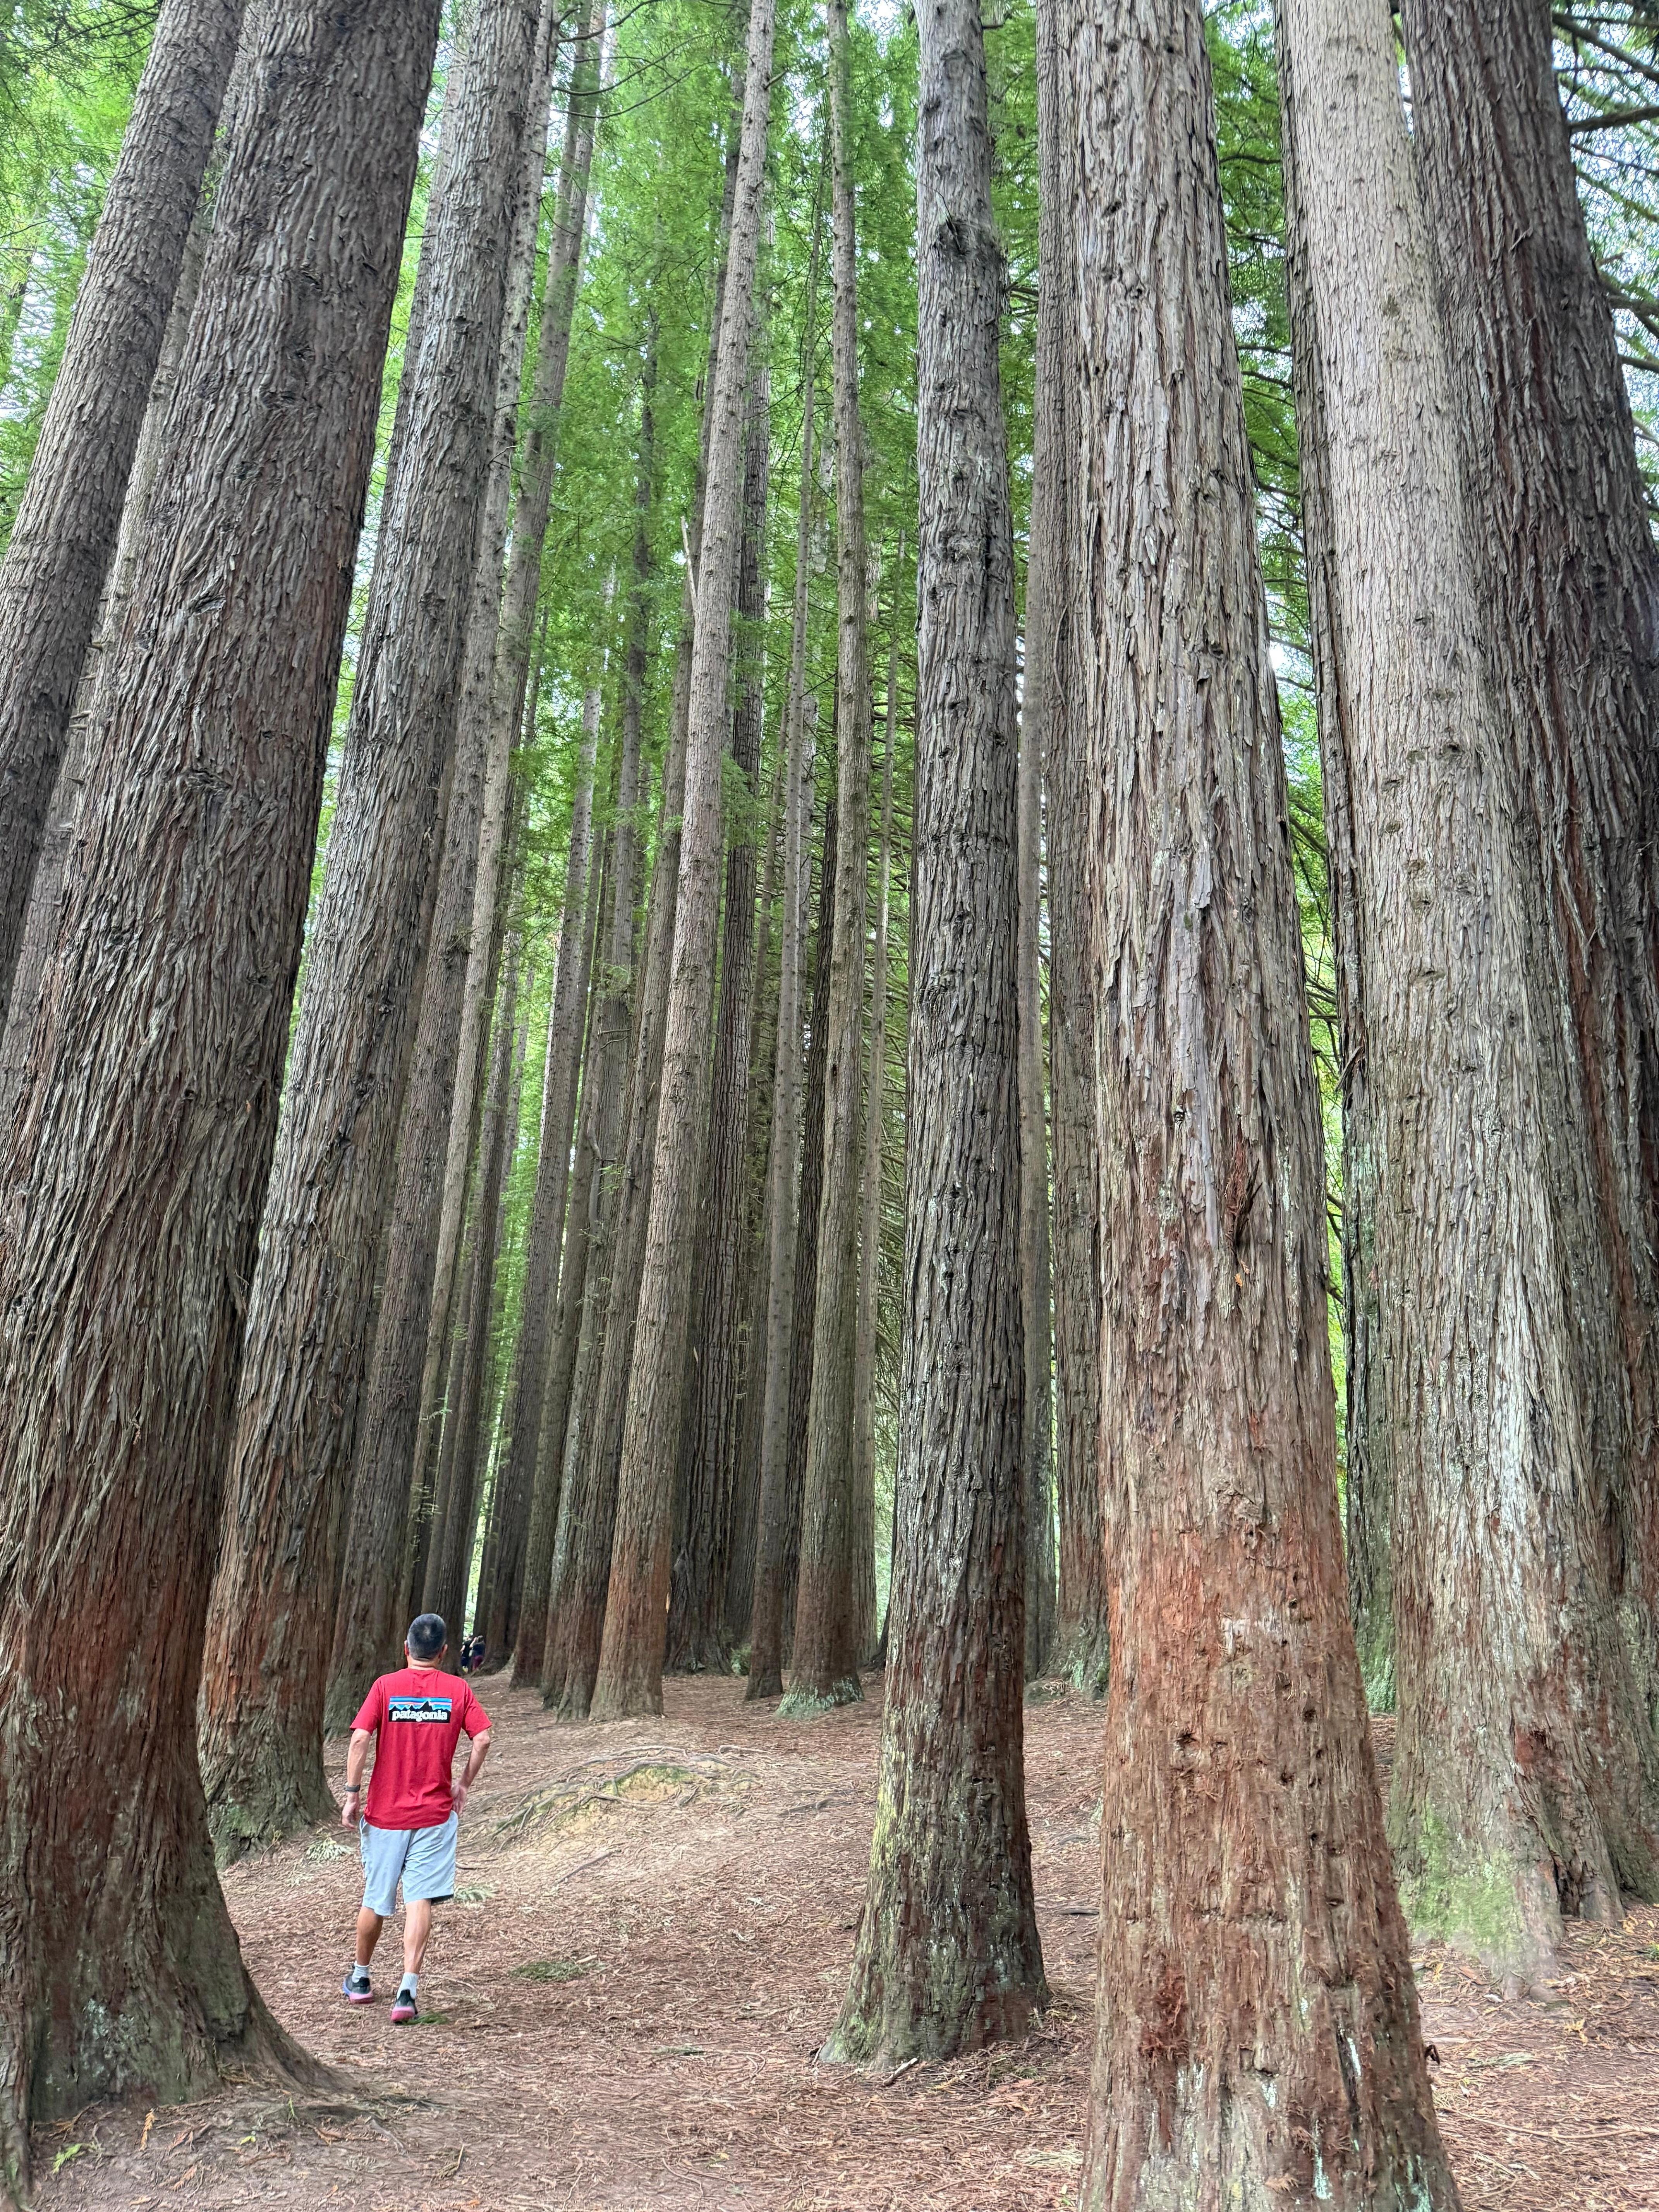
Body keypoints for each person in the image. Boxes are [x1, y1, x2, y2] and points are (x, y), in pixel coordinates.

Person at [339, 1611, 491, 2024]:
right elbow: (482, 1738)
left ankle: (361, 1979)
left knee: (376, 1897)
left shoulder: (386, 1687)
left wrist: (352, 1795)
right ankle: (407, 1991)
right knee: (419, 1898)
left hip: (386, 1814)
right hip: (435, 1816)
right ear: (443, 1653)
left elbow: (358, 1739)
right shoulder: (457, 1691)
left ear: (407, 1649)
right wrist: (463, 1784)